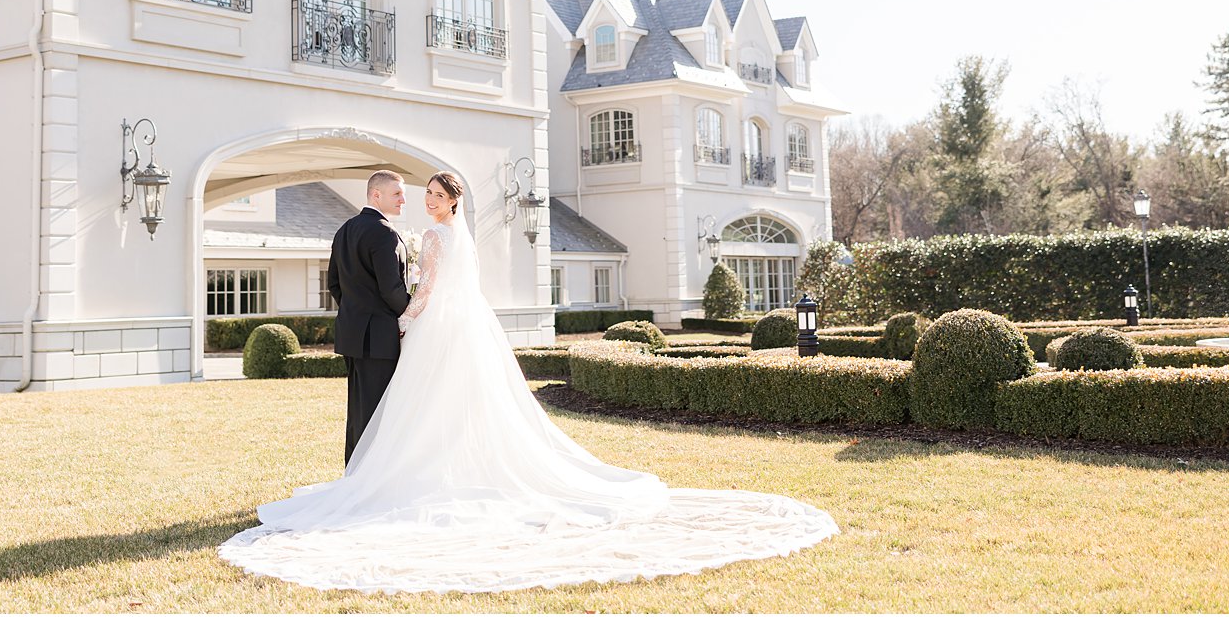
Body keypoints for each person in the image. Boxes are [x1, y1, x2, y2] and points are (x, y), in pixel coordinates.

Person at [219, 171, 838, 594]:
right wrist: (403, 313)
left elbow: (368, 286)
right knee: (418, 407)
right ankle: (381, 475)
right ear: (389, 195)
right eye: (417, 192)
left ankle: (373, 476)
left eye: (433, 193)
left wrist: (406, 314)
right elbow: (407, 288)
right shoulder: (421, 234)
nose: (422, 199)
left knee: (390, 410)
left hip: (391, 330)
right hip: (423, 327)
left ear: (451, 200)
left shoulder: (381, 232)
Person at [324, 169, 410, 466]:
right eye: (397, 194)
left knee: (359, 410)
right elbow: (392, 290)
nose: (403, 200)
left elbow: (334, 283)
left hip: (352, 334)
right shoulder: (385, 233)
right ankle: (371, 477)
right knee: (379, 412)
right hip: (379, 337)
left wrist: (355, 312)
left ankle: (355, 473)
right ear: (377, 195)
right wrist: (413, 315)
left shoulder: (345, 229)